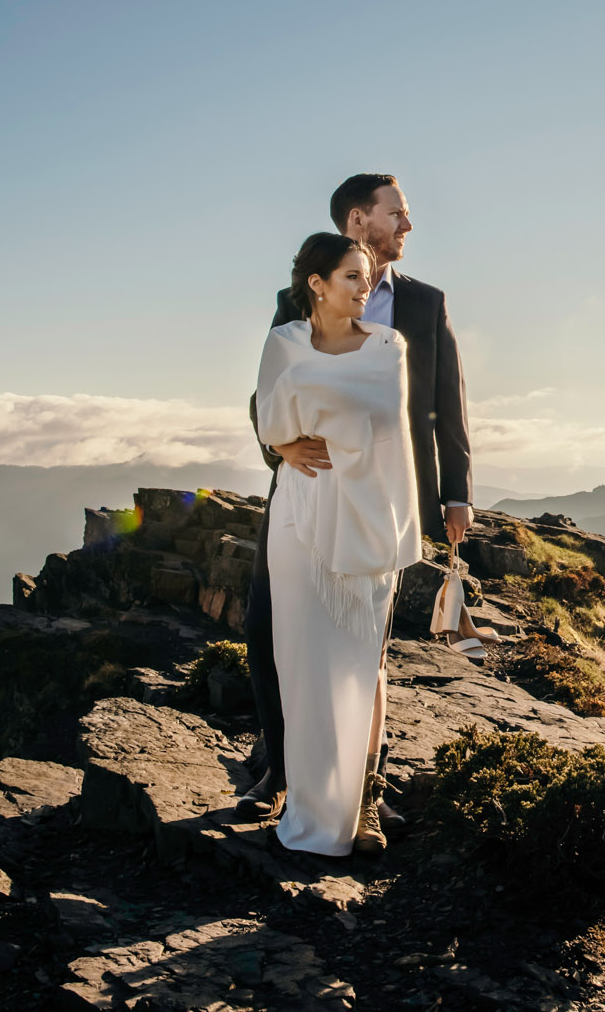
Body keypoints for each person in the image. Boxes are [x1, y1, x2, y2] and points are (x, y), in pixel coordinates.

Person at [239, 173, 476, 820]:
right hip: (304, 492)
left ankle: (365, 790)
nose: (407, 225)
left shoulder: (424, 305)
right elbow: (265, 394)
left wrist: (457, 495)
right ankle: (282, 773)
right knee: (267, 629)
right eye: (396, 213)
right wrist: (281, 450)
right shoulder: (297, 302)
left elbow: (445, 406)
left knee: (366, 645)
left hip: (383, 497)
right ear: (356, 221)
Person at [252, 232, 418, 856]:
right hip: (300, 512)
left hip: (364, 514)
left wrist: (311, 421)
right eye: (351, 276)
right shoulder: (285, 343)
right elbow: (270, 415)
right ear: (317, 284)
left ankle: (356, 810)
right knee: (301, 666)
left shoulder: (386, 347)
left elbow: (381, 423)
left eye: (367, 276)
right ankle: (309, 809)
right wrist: (282, 445)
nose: (365, 286)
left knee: (355, 666)